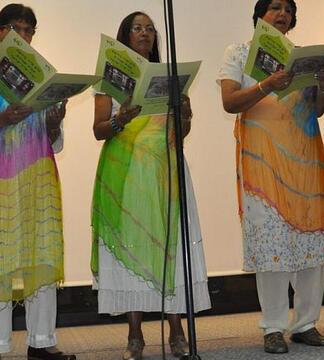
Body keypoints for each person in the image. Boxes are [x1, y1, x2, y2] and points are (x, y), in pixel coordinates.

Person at [0, 4, 75, 360]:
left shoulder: (42, 74)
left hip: (37, 180)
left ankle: (42, 341)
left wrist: (55, 119)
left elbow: (54, 138)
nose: (22, 36)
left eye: (29, 31)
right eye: (14, 29)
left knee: (41, 255)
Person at [218, 0, 324, 354]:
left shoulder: (303, 55)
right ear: (259, 15)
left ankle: (306, 324)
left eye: (287, 8)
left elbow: (315, 111)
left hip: (304, 159)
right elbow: (230, 103)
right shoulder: (239, 53)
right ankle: (273, 327)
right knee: (270, 244)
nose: (282, 13)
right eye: (274, 7)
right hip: (262, 163)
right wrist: (267, 84)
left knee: (311, 243)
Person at [90, 11, 211, 360]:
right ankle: (134, 335)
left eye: (149, 29)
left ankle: (176, 330)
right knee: (132, 246)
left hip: (167, 170)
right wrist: (120, 118)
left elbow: (180, 135)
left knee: (172, 246)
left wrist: (185, 114)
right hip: (126, 174)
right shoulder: (110, 77)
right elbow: (99, 130)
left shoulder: (167, 77)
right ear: (125, 35)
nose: (144, 34)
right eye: (137, 28)